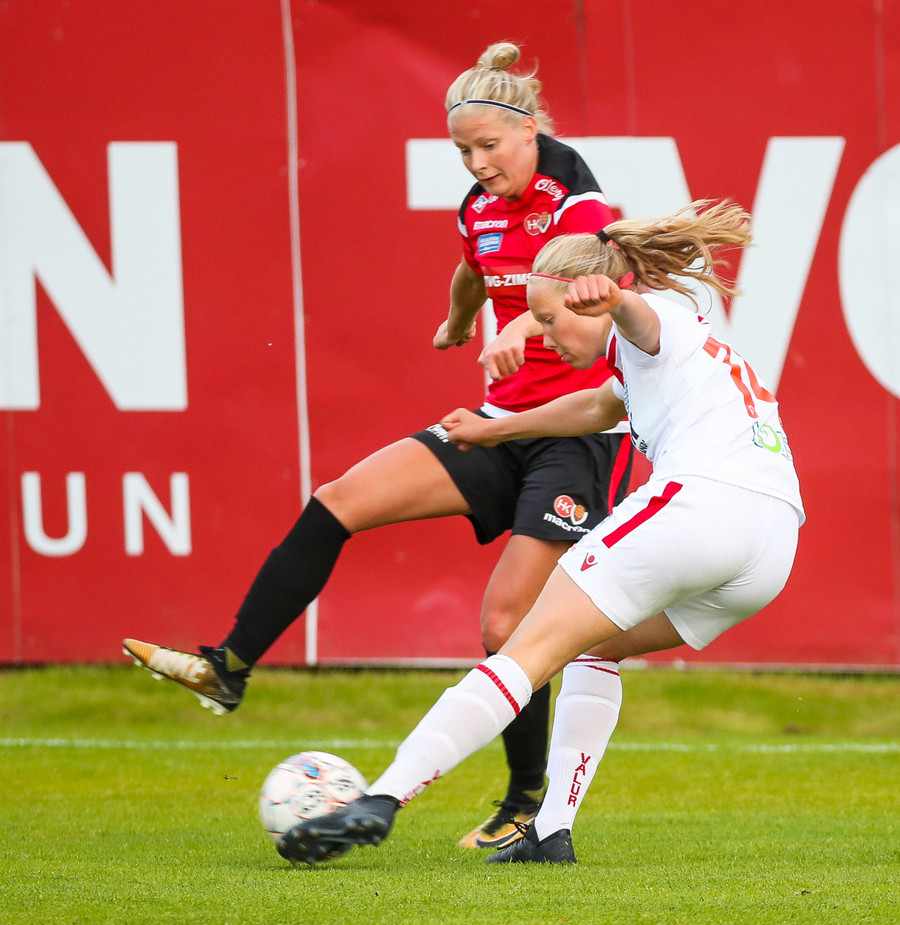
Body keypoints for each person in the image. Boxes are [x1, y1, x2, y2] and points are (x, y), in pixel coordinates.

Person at [122, 42, 633, 851]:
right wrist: (460, 319)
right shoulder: (479, 205)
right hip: (494, 424)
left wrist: (529, 326)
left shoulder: (580, 201)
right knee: (339, 500)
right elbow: (475, 268)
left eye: (488, 146)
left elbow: (591, 292)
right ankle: (229, 666)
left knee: (507, 623)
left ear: (527, 130)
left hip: (576, 434)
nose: (477, 163)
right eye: (462, 151)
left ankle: (525, 801)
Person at [275, 200, 805, 866]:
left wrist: (616, 298)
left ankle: (382, 798)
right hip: (771, 543)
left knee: (525, 649)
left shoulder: (651, 319)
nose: (544, 337)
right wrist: (494, 430)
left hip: (703, 504)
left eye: (549, 319)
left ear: (590, 299)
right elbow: (596, 406)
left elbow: (640, 321)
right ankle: (550, 833)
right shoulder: (659, 355)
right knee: (593, 648)